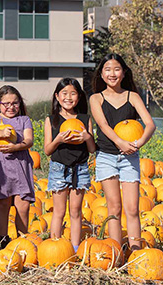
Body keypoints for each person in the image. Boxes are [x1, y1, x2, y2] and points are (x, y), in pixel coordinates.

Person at [89, 53, 155, 251]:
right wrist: (120, 143)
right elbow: (103, 125)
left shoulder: (132, 96)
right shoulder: (96, 98)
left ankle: (136, 254)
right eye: (107, 69)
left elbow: (150, 124)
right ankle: (117, 252)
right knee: (114, 208)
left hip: (130, 157)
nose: (112, 73)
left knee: (133, 209)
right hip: (106, 157)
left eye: (116, 69)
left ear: (123, 73)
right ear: (101, 74)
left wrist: (139, 143)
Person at [0, 85, 35, 249]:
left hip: (20, 164)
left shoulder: (24, 120)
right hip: (1, 166)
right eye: (6, 103)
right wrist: (1, 133)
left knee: (23, 204)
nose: (11, 107)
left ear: (20, 104)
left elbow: (29, 140)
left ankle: (22, 239)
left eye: (15, 103)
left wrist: (16, 147)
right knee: (3, 203)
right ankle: (3, 240)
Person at [44, 78, 95, 252]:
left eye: (73, 93)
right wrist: (58, 139)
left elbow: (92, 149)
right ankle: (55, 247)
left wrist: (87, 137)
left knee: (75, 211)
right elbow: (47, 150)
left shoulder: (84, 119)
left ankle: (74, 248)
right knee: (59, 211)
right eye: (64, 93)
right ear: (57, 96)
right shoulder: (51, 120)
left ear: (79, 97)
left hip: (80, 168)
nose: (68, 97)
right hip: (59, 168)